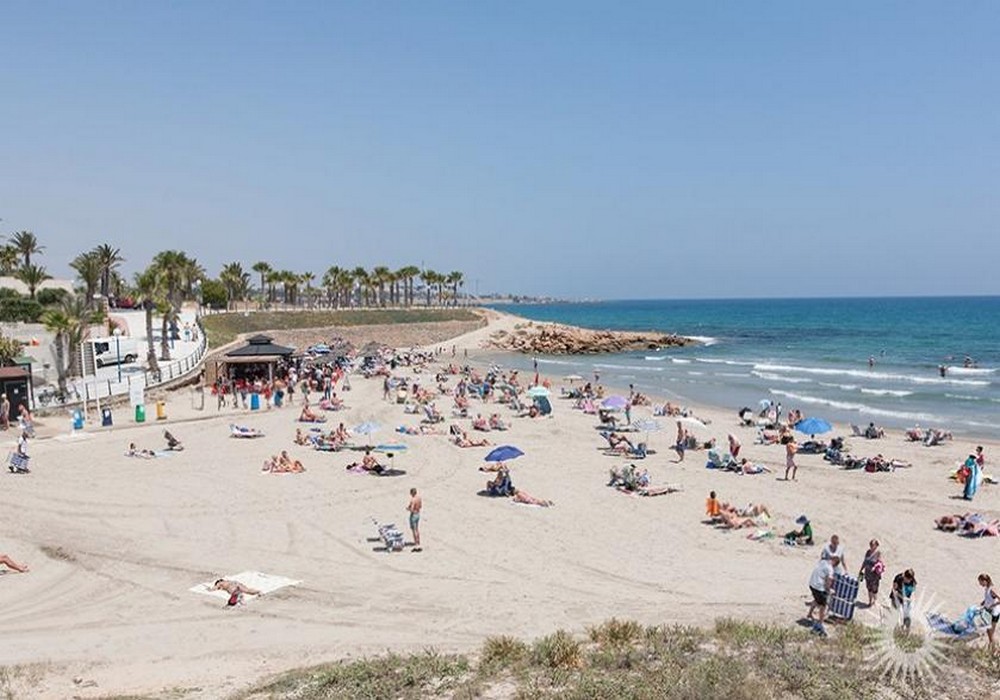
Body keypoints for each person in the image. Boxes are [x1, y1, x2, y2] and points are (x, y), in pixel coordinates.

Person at [807, 555, 840, 636]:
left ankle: (810, 613)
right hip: (818, 587)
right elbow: (828, 581)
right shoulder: (830, 569)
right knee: (823, 605)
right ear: (835, 564)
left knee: (817, 599)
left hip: (811, 584)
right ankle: (820, 623)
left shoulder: (823, 562)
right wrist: (829, 591)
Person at [979, 573, 1000, 653]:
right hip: (989, 612)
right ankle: (993, 648)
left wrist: (992, 605)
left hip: (994, 613)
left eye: (981, 582)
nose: (980, 584)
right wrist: (983, 602)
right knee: (989, 631)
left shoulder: (992, 589)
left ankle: (994, 649)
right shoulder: (987, 588)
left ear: (985, 581)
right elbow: (989, 598)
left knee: (990, 632)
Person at [859, 539, 883, 608]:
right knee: (869, 587)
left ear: (876, 546)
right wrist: (861, 569)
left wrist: (874, 567)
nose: (871, 546)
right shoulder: (868, 552)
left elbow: (879, 563)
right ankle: (870, 601)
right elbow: (865, 561)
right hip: (867, 573)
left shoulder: (878, 553)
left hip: (874, 574)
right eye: (871, 545)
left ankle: (875, 601)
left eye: (873, 545)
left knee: (874, 588)